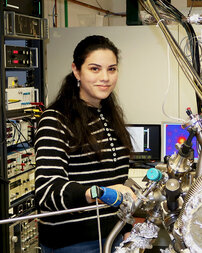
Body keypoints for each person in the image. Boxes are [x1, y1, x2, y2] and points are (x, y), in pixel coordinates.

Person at [34, 35, 136, 252]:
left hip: (112, 238)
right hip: (73, 244)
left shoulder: (108, 116)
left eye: (112, 69)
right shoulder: (56, 120)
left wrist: (127, 230)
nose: (105, 77)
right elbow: (47, 191)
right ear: (76, 70)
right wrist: (98, 193)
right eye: (95, 69)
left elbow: (119, 182)